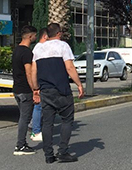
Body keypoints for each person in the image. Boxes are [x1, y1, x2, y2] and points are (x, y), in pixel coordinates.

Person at [32, 23, 84, 164]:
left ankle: (48, 155)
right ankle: (63, 151)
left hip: (45, 91)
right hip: (61, 90)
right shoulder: (63, 46)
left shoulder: (38, 48)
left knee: (47, 123)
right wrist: (79, 84)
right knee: (67, 120)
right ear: (59, 33)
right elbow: (70, 67)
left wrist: (35, 88)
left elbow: (34, 70)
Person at [12, 25, 39, 155]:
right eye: (35, 36)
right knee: (25, 118)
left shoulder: (16, 50)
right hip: (25, 90)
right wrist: (34, 89)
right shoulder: (27, 52)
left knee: (23, 117)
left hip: (16, 88)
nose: (35, 38)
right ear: (30, 36)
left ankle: (21, 144)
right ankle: (20, 145)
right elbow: (29, 73)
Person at [29, 28, 48, 142]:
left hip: (41, 79)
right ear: (45, 36)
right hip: (41, 79)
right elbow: (34, 68)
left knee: (40, 106)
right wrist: (35, 87)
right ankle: (35, 129)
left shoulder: (38, 47)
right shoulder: (40, 48)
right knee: (39, 105)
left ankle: (36, 127)